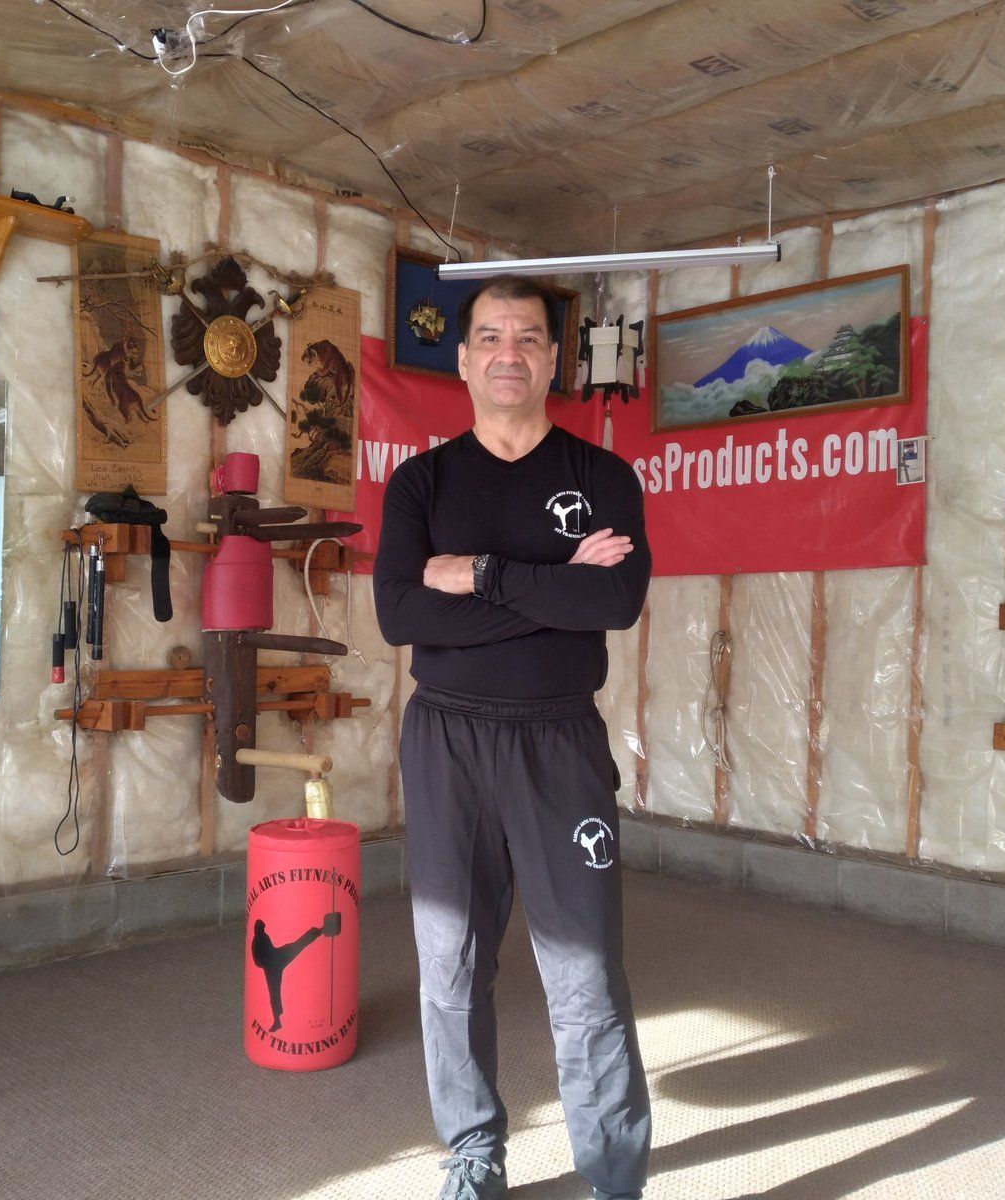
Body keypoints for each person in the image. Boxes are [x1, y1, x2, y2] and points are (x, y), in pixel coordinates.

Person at [374, 277, 652, 1200]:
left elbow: (611, 601)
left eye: (528, 337)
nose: (507, 352)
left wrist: (482, 574)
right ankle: (473, 1152)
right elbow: (401, 613)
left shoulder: (603, 478)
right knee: (449, 961)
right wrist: (545, 588)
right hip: (446, 738)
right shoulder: (421, 482)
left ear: (551, 360)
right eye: (488, 336)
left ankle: (612, 1174)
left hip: (559, 742)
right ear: (462, 359)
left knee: (587, 970)